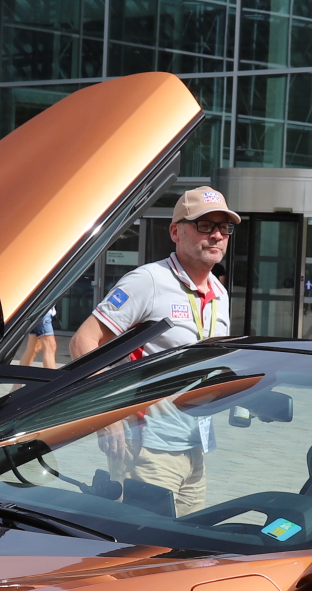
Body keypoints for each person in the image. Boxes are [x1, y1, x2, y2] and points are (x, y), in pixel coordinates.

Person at [72, 187, 237, 513]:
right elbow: (83, 342)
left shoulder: (219, 293)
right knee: (140, 541)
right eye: (204, 225)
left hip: (194, 446)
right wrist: (106, 414)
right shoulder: (148, 281)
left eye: (224, 227)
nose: (216, 235)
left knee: (186, 541)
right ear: (176, 231)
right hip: (146, 447)